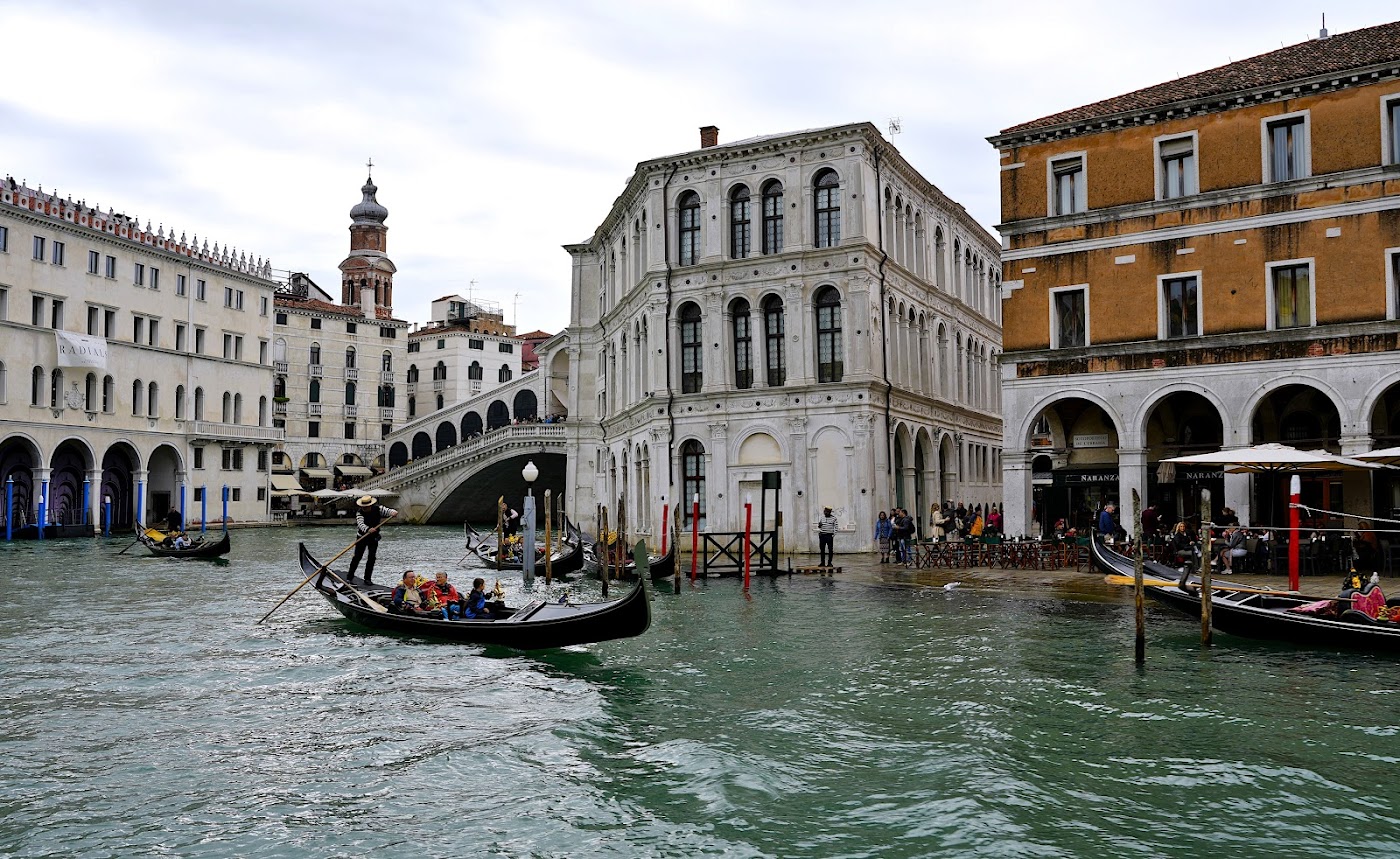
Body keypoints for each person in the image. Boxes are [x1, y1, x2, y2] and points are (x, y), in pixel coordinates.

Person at [348, 495, 398, 584]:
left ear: (370, 505)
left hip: (373, 537)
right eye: (363, 507)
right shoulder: (359, 513)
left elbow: (388, 511)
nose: (365, 508)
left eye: (366, 507)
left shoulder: (378, 508)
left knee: (371, 558)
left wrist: (393, 512)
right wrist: (368, 529)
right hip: (362, 537)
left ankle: (367, 579)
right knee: (357, 557)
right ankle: (349, 577)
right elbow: (360, 524)